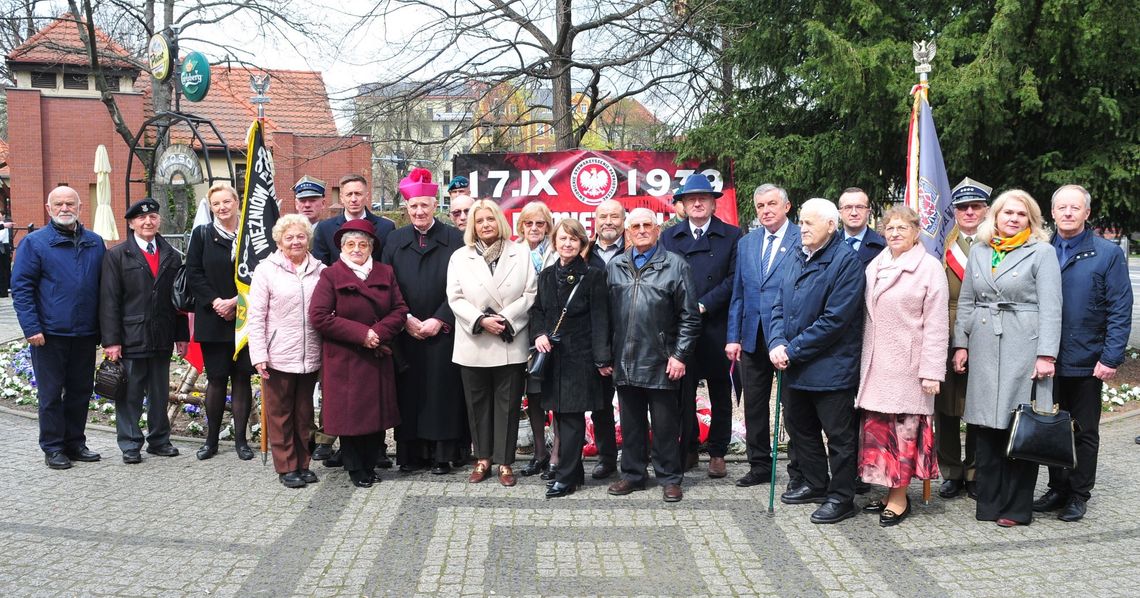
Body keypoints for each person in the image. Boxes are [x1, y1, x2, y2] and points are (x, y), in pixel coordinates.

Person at [952, 189, 1062, 527]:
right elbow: (968, 301)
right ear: (994, 217)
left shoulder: (1042, 252)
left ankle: (1015, 508)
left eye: (1020, 214)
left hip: (1023, 345)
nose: (1013, 219)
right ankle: (987, 502)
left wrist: (1046, 354)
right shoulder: (982, 251)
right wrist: (961, 344)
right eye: (1006, 213)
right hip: (984, 343)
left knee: (1020, 426)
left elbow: (1052, 306)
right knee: (985, 427)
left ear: (1031, 219)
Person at [1033, 184, 1132, 522]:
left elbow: (1120, 308)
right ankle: (1057, 487)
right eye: (1062, 207)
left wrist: (1111, 357)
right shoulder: (1041, 249)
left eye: (1075, 207)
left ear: (1087, 213)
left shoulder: (1107, 254)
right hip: (1047, 357)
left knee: (1084, 431)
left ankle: (1078, 494)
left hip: (1088, 359)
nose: (1068, 213)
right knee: (1049, 426)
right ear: (1052, 211)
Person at [768, 197, 865, 524]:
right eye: (802, 222)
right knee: (801, 430)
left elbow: (834, 321)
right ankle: (814, 482)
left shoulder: (846, 262)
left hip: (831, 369)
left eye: (810, 223)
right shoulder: (796, 255)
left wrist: (791, 350)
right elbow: (779, 305)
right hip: (795, 366)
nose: (802, 228)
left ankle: (841, 497)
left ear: (830, 226)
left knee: (839, 437)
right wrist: (776, 342)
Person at [855, 206, 948, 526]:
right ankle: (889, 489)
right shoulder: (875, 265)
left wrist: (933, 372)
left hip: (909, 369)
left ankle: (899, 496)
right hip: (877, 366)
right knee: (880, 433)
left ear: (916, 232)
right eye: (890, 228)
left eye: (902, 228)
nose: (895, 233)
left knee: (903, 435)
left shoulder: (929, 268)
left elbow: (937, 324)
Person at [605, 208, 701, 502]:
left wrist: (680, 356)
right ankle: (633, 475)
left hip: (662, 360)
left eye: (648, 225)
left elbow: (690, 317)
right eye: (636, 226)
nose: (642, 230)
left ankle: (670, 477)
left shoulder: (675, 265)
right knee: (631, 424)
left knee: (665, 426)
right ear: (628, 231)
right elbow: (606, 316)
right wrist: (606, 355)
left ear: (657, 230)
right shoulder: (616, 266)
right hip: (625, 359)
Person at [309, 219, 409, 487]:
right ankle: (355, 468)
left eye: (362, 244)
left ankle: (370, 462)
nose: (356, 249)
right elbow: (318, 316)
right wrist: (360, 334)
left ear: (371, 247)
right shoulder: (331, 275)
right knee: (350, 417)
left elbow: (400, 310)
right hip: (346, 357)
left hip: (377, 353)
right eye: (350, 244)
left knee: (374, 415)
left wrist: (378, 332)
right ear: (342, 248)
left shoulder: (385, 272)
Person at [12, 186, 105, 470]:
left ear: (79, 207)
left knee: (80, 391)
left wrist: (105, 330)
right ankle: (53, 447)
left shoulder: (95, 242)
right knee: (51, 394)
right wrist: (31, 328)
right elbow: (22, 288)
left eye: (70, 204)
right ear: (48, 208)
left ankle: (75, 443)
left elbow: (105, 288)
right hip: (49, 335)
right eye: (58, 204)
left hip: (85, 333)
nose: (65, 208)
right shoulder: (35, 243)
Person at [381, 169, 468, 474]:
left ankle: (442, 455)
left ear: (435, 206)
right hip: (406, 331)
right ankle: (410, 454)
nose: (419, 211)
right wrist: (404, 318)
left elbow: (463, 286)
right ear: (407, 208)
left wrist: (439, 319)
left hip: (442, 330)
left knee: (441, 392)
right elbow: (386, 284)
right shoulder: (394, 240)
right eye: (413, 206)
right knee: (410, 392)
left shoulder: (455, 239)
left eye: (424, 206)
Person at [447, 199, 537, 487]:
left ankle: (505, 462)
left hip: (509, 340)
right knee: (477, 405)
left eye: (490, 219)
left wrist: (504, 319)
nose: (486, 224)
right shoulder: (460, 257)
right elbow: (455, 297)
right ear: (472, 225)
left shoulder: (520, 253)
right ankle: (483, 458)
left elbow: (530, 293)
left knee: (508, 405)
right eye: (480, 220)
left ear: (500, 221)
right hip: (474, 342)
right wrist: (481, 321)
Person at [660, 172, 742, 478]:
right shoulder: (669, 237)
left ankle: (718, 451)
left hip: (716, 324)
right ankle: (690, 446)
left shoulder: (732, 235)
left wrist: (703, 304)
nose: (697, 203)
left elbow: (735, 280)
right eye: (690, 199)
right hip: (682, 327)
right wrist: (684, 309)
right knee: (684, 391)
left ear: (713, 203)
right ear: (682, 204)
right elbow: (665, 278)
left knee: (721, 392)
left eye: (703, 198)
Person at [100, 198, 189, 463]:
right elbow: (109, 300)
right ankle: (130, 444)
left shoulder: (172, 255)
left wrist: (181, 335)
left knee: (159, 393)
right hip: (131, 337)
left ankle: (159, 440)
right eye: (141, 218)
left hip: (162, 335)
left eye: (152, 217)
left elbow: (179, 300)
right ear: (131, 223)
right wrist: (112, 341)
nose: (148, 222)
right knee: (130, 394)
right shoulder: (117, 255)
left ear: (158, 221)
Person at [530, 218, 611, 498]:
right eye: (562, 239)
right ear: (555, 242)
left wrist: (602, 359)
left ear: (581, 244)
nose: (567, 244)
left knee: (573, 418)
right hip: (552, 356)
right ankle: (573, 473)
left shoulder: (593, 276)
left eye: (573, 239)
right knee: (559, 415)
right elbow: (537, 310)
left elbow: (601, 319)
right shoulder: (546, 275)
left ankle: (565, 476)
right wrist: (539, 333)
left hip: (581, 357)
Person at [726, 184, 801, 488]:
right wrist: (733, 336)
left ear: (787, 206)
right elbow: (739, 293)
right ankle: (759, 464)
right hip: (751, 336)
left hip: (787, 338)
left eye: (772, 204)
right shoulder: (747, 243)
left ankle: (799, 469)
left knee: (793, 406)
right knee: (754, 405)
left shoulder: (801, 238)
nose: (766, 210)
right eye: (760, 206)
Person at [247, 214, 326, 488]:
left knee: (305, 413)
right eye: (289, 237)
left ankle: (303, 464)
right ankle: (286, 466)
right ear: (279, 241)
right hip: (278, 354)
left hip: (310, 353)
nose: (295, 242)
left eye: (300, 236)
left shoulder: (321, 270)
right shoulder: (266, 270)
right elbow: (255, 316)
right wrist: (259, 355)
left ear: (308, 239)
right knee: (280, 414)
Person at [185, 183, 257, 461]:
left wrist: (238, 301)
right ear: (211, 207)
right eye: (216, 204)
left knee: (241, 378)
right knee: (216, 380)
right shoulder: (202, 235)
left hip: (244, 317)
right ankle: (211, 440)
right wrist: (216, 302)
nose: (222, 207)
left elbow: (261, 273)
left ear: (237, 202)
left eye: (227, 201)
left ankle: (241, 441)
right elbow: (194, 273)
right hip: (213, 317)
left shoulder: (252, 235)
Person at [936, 178, 992, 499]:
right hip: (946, 326)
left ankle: (975, 470)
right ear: (954, 211)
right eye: (962, 207)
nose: (969, 212)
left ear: (986, 209)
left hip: (983, 327)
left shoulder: (996, 244)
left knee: (977, 404)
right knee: (945, 406)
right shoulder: (942, 244)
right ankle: (951, 471)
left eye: (975, 206)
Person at [515, 201, 558, 479]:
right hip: (521, 332)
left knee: (556, 395)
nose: (534, 228)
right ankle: (539, 453)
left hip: (553, 334)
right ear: (521, 226)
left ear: (547, 226)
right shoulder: (513, 253)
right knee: (534, 395)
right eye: (528, 223)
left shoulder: (558, 251)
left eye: (539, 223)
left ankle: (557, 456)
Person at [583, 199, 625, 479]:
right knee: (600, 404)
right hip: (595, 340)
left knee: (635, 403)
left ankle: (637, 456)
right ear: (595, 220)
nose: (608, 222)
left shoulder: (636, 248)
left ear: (624, 221)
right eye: (603, 216)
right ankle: (607, 457)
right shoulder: (584, 253)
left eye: (614, 216)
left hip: (630, 338)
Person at [312, 173, 396, 265]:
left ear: (367, 196)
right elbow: (321, 268)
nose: (353, 199)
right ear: (342, 198)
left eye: (358, 194)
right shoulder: (325, 228)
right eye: (349, 194)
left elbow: (389, 266)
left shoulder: (386, 228)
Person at [837, 187, 885, 266]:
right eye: (848, 207)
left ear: (868, 212)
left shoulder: (883, 246)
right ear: (840, 213)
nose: (854, 213)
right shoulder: (827, 245)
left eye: (859, 207)